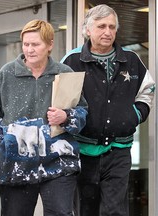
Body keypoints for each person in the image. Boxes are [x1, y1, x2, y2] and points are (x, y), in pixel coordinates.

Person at [0, 19, 88, 216]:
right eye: (26, 44)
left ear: (49, 45)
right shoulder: (8, 73)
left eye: (36, 44)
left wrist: (66, 116)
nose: (29, 49)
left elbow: (82, 112)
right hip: (15, 162)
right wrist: (1, 140)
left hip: (59, 162)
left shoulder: (64, 73)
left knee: (60, 213)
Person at [61, 4, 155, 216]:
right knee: (86, 210)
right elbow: (61, 103)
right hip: (83, 151)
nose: (108, 32)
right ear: (87, 29)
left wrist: (134, 115)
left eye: (112, 27)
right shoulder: (72, 61)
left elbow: (148, 91)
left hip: (118, 151)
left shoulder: (131, 60)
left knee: (115, 211)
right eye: (101, 26)